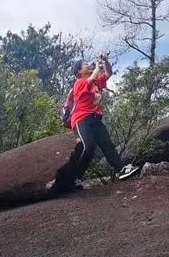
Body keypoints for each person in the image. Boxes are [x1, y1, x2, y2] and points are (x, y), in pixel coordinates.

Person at [52, 55, 138, 192]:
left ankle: (122, 170)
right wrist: (97, 68)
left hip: (96, 118)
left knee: (107, 144)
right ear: (79, 71)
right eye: (86, 65)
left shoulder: (96, 82)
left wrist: (105, 61)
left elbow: (109, 73)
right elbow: (90, 80)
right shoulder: (79, 82)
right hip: (81, 119)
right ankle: (75, 178)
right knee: (89, 146)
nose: (89, 66)